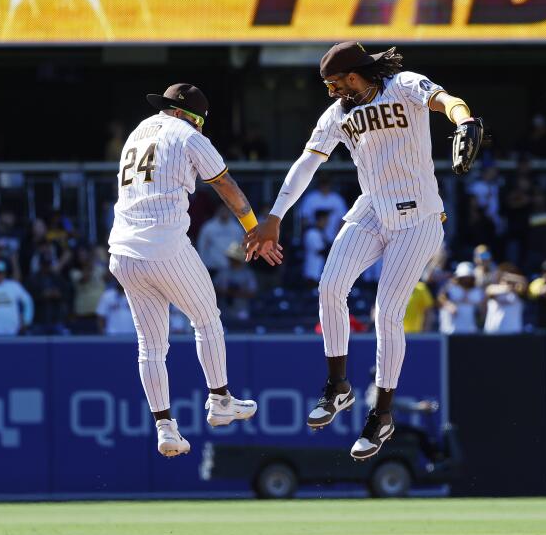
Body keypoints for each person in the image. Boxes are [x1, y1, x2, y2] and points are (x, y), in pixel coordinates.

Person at [245, 42, 480, 459]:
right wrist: (276, 215)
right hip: (372, 208)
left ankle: (382, 414)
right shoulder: (337, 114)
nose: (331, 91)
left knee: (385, 313)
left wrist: (464, 123)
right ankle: (338, 386)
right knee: (330, 287)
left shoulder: (402, 85)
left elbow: (449, 101)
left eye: (335, 82)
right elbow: (306, 162)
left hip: (419, 217)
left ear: (355, 76)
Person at [108, 83, 280, 457]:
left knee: (151, 346)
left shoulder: (137, 131)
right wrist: (253, 227)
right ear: (195, 116)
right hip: (164, 244)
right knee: (207, 319)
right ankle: (220, 400)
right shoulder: (187, 133)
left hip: (122, 251)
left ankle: (165, 428)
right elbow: (226, 185)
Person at [437, 261, 482, 335]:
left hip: (470, 330)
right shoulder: (450, 288)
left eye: (468, 277)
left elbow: (481, 309)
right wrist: (448, 305)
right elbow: (441, 298)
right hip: (450, 330)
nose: (466, 279)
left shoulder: (477, 291)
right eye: (464, 277)